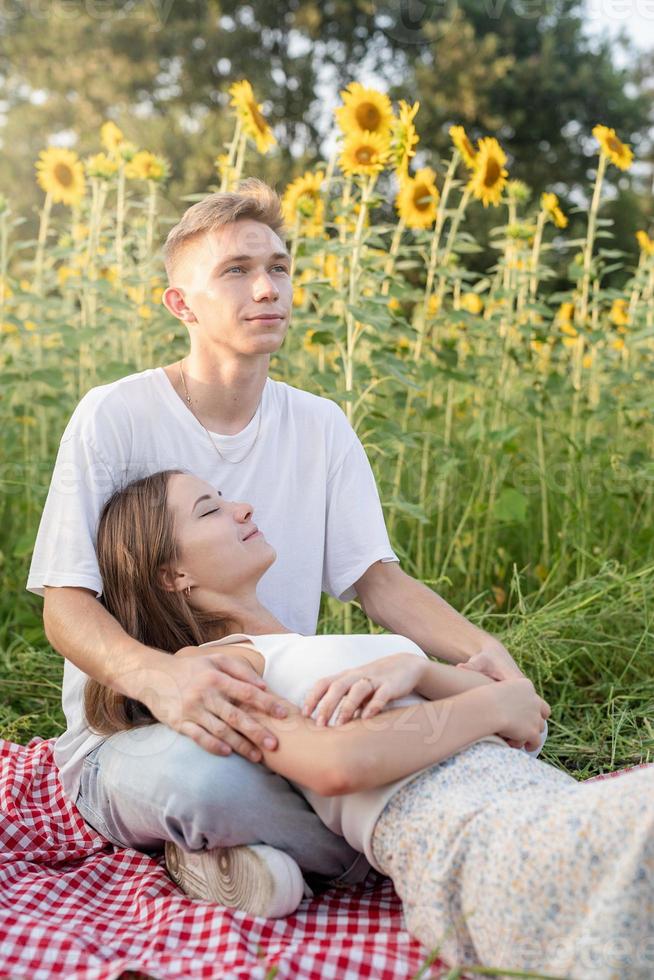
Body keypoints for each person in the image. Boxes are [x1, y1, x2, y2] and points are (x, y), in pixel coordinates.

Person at [27, 177, 545, 914]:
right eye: (236, 271)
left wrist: (483, 659)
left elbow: (379, 581)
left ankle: (267, 850)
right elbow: (65, 606)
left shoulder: (322, 425)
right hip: (137, 731)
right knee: (212, 783)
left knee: (396, 746)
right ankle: (327, 839)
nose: (266, 288)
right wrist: (160, 681)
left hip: (288, 710)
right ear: (182, 304)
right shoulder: (113, 415)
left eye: (278, 268)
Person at [85, 468, 653, 980]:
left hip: (542, 800)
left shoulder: (333, 651)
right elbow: (338, 765)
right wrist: (479, 703)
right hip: (470, 839)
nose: (243, 509)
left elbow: (529, 714)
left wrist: (413, 669)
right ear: (173, 574)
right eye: (210, 509)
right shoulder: (213, 668)